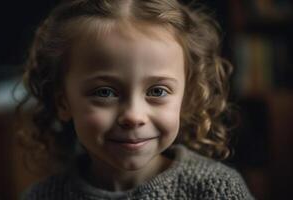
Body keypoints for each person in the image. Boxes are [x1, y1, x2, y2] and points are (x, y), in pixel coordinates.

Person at [18, 0, 254, 199]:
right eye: (105, 92)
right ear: (63, 103)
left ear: (187, 97)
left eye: (158, 91)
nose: (133, 116)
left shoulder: (217, 190)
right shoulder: (44, 195)